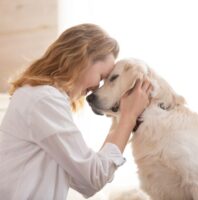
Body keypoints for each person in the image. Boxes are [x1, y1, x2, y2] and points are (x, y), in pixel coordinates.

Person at [0, 23, 152, 200]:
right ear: (83, 58)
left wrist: (120, 118)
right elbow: (92, 178)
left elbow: (83, 181)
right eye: (102, 77)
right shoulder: (44, 100)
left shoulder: (38, 97)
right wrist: (129, 117)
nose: (96, 87)